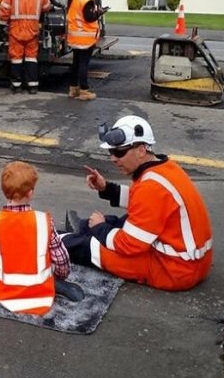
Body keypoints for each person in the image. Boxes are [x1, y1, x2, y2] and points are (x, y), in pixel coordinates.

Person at [62, 115, 213, 291]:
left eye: (119, 152)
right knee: (119, 221)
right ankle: (83, 228)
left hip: (172, 270)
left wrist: (99, 229)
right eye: (111, 152)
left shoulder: (151, 186)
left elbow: (129, 245)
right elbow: (143, 204)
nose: (113, 158)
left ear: (141, 150)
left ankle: (56, 240)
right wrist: (105, 188)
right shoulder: (165, 168)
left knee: (91, 248)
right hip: (192, 262)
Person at [0, 161, 72, 315]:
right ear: (30, 193)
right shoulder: (44, 221)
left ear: (4, 191)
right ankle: (50, 288)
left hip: (4, 292)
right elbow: (62, 259)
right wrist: (59, 276)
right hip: (40, 296)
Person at [0, 0, 52, 94]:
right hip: (33, 29)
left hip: (16, 29)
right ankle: (33, 86)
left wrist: (0, 25)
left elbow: (4, 10)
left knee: (16, 58)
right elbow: (47, 7)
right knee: (31, 58)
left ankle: (16, 85)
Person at [66, 0, 103, 101]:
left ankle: (73, 89)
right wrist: (99, 13)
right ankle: (84, 91)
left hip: (75, 36)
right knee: (83, 64)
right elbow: (89, 17)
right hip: (85, 38)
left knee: (76, 63)